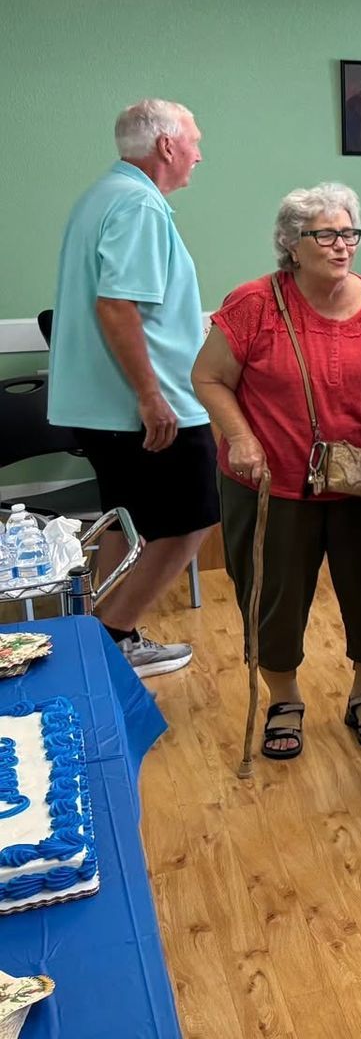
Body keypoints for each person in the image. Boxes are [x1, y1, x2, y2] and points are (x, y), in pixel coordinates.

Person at [191, 184, 361, 758]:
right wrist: (240, 437)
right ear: (292, 243)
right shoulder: (254, 304)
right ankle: (284, 699)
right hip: (270, 485)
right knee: (271, 597)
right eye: (326, 235)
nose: (342, 246)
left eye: (349, 234)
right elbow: (208, 377)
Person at [48, 99, 214, 677]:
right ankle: (109, 640)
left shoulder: (104, 194)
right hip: (142, 406)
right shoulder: (140, 204)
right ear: (167, 146)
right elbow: (116, 306)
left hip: (100, 403)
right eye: (193, 140)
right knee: (190, 520)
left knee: (128, 521)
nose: (199, 152)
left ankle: (95, 638)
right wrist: (150, 395)